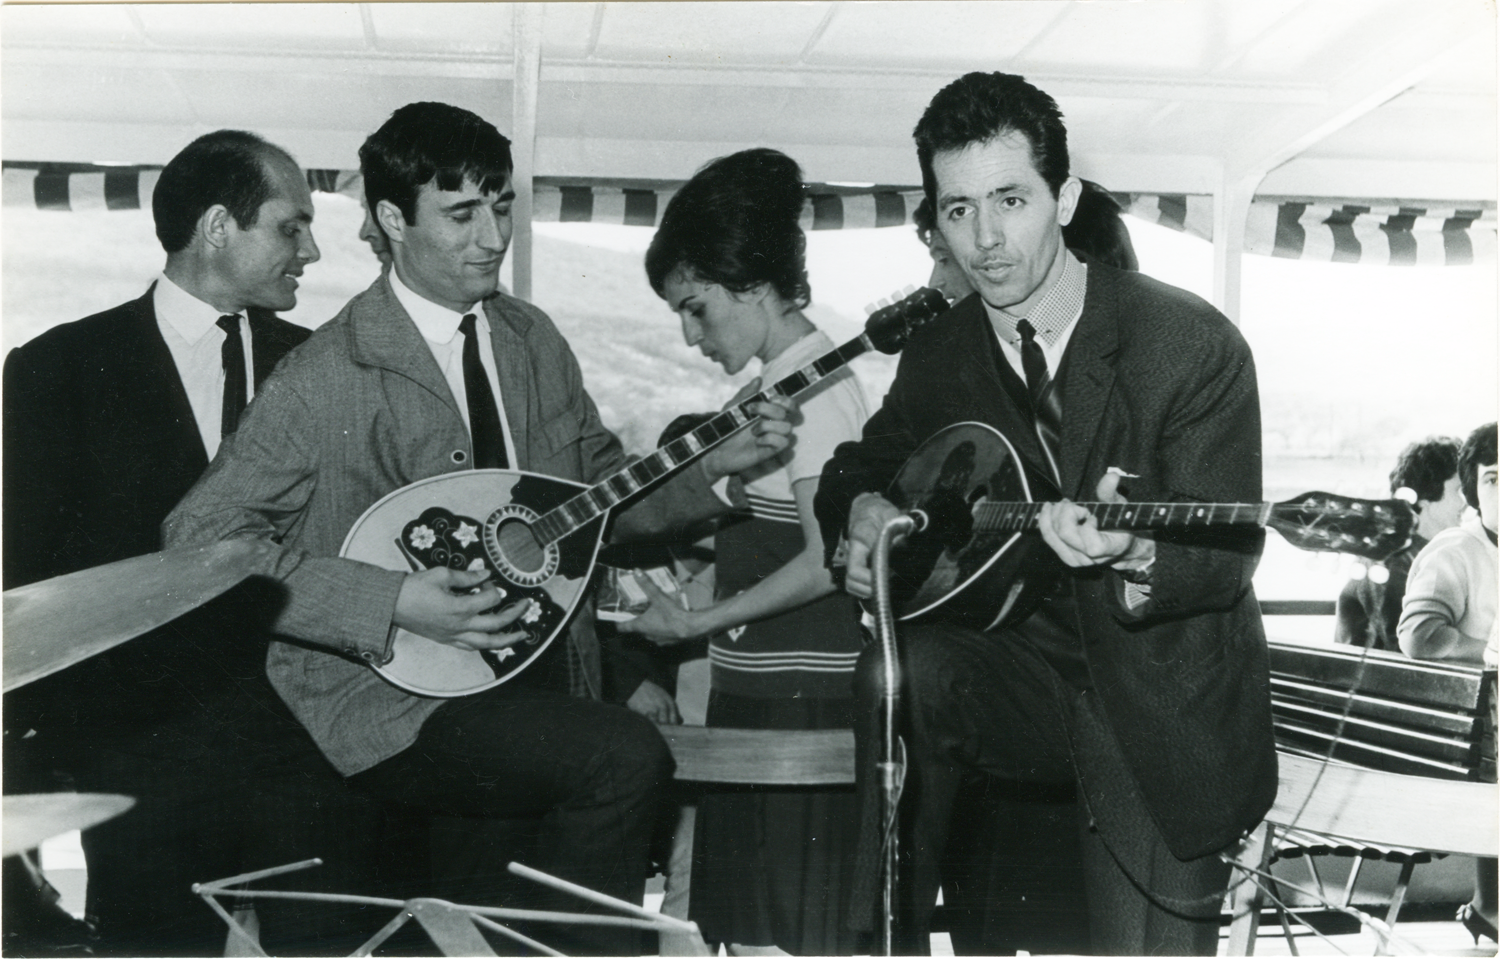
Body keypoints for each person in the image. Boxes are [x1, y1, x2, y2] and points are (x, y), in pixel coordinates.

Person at [162, 101, 794, 956]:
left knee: (486, 923)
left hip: (537, 679)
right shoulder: (324, 375)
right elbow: (198, 543)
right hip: (397, 706)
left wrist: (714, 470)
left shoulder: (532, 340)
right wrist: (390, 599)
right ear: (393, 220)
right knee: (622, 756)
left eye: (501, 207)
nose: (492, 237)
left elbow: (599, 496)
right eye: (461, 214)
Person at [814, 72, 1276, 954]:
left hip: (1158, 697)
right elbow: (857, 465)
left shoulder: (1189, 343)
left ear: (1063, 199)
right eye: (958, 210)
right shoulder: (940, 354)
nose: (985, 239)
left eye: (1011, 200)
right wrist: (861, 509)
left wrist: (1134, 549)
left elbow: (1225, 556)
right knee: (897, 672)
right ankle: (880, 937)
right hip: (1017, 678)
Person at [1, 129, 355, 956]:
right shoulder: (56, 367)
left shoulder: (321, 367)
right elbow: (22, 573)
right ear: (218, 226)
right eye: (292, 226)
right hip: (137, 754)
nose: (311, 250)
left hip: (304, 741)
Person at [619, 147, 871, 955]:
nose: (691, 335)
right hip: (758, 694)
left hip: (800, 705)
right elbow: (762, 526)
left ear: (754, 284)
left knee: (788, 936)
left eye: (697, 308)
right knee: (750, 933)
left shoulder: (814, 389)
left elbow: (826, 556)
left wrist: (697, 622)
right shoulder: (771, 384)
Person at [1397, 422, 1497, 944]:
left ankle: (1490, 906)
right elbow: (1420, 636)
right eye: (1494, 478)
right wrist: (1493, 652)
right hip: (1466, 734)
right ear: (1472, 489)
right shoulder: (1456, 549)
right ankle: (1492, 906)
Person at [1336, 437, 1465, 650]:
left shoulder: (1440, 550)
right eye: (1460, 490)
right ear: (1427, 495)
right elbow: (1409, 647)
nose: (1468, 501)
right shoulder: (1388, 558)